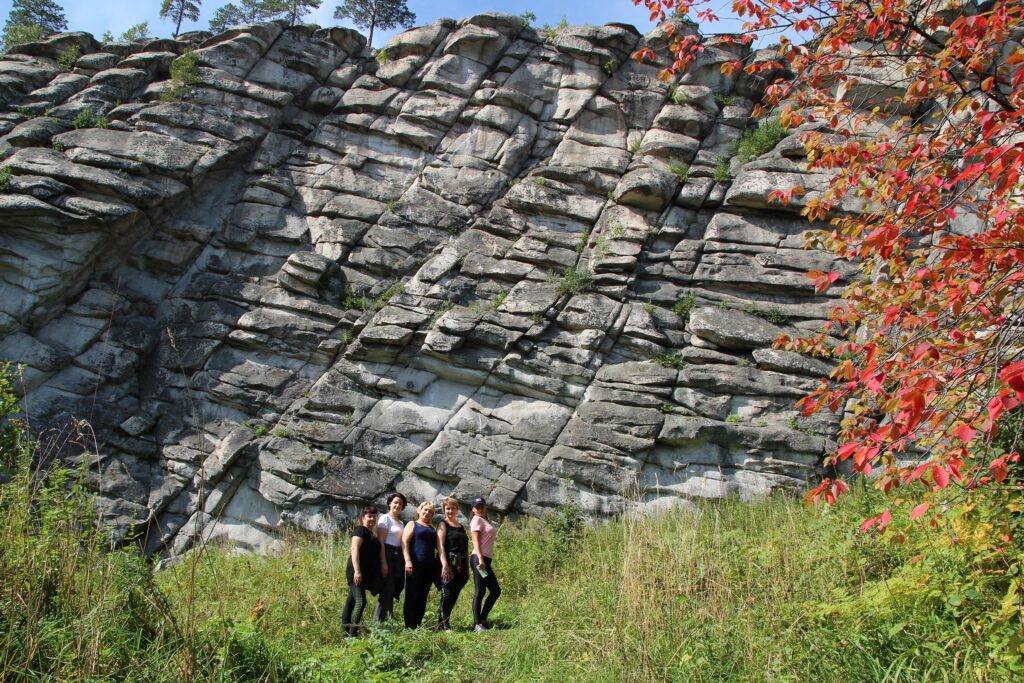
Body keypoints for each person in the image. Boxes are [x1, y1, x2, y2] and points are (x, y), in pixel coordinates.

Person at [341, 506, 381, 637]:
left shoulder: (371, 533)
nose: (372, 518)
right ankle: (353, 633)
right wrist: (357, 571)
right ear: (363, 518)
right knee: (361, 602)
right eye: (369, 516)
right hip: (356, 570)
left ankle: (345, 633)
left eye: (374, 516)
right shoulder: (360, 530)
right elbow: (354, 549)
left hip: (363, 572)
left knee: (351, 602)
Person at [402, 500, 438, 628]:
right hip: (414, 565)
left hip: (428, 568)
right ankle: (409, 626)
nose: (427, 513)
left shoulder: (432, 529)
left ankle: (417, 624)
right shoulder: (413, 524)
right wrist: (408, 561)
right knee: (411, 595)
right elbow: (404, 542)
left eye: (431, 512)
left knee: (423, 596)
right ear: (419, 511)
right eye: (425, 510)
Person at [372, 492, 407, 622]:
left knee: (392, 590)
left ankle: (387, 620)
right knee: (387, 589)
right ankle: (378, 623)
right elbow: (381, 541)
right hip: (386, 553)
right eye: (395, 502)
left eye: (400, 504)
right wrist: (383, 563)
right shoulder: (384, 518)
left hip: (397, 557)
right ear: (389, 503)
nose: (397, 505)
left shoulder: (401, 523)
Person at [436, 497, 470, 630]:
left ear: (457, 509)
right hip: (448, 563)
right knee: (447, 593)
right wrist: (444, 564)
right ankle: (445, 625)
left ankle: (441, 622)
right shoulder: (443, 524)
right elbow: (440, 546)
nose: (450, 511)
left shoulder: (461, 527)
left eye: (452, 508)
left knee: (454, 594)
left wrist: (467, 569)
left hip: (461, 565)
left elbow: (465, 549)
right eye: (447, 508)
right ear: (444, 510)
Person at [469, 497, 501, 632]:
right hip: (479, 558)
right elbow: (475, 540)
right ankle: (477, 624)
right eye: (477, 507)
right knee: (480, 591)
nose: (480, 509)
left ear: (485, 507)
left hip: (485, 559)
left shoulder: (484, 520)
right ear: (473, 509)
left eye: (482, 506)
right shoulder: (476, 519)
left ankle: (482, 620)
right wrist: (481, 559)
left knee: (495, 591)